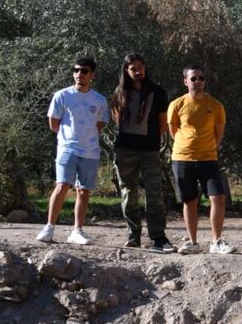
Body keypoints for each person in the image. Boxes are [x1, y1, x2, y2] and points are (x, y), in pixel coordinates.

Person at [37, 58, 109, 246]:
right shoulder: (62, 95)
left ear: (92, 75)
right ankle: (49, 227)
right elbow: (54, 124)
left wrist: (87, 137)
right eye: (76, 70)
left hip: (90, 152)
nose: (79, 74)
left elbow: (100, 124)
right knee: (62, 185)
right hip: (67, 148)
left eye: (84, 71)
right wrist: (68, 138)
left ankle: (77, 231)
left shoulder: (100, 100)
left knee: (83, 191)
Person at [110, 52, 174, 252]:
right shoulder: (120, 92)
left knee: (154, 193)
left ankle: (158, 237)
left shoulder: (158, 92)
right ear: (126, 70)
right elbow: (117, 118)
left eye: (140, 67)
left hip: (149, 150)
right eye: (133, 68)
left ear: (145, 68)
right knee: (129, 193)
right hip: (125, 149)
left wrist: (151, 139)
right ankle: (133, 235)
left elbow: (163, 124)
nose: (138, 71)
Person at [167, 65, 233, 255]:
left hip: (208, 159)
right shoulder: (176, 104)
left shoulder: (216, 106)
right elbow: (173, 131)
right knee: (190, 201)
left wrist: (207, 148)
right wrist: (187, 146)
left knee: (218, 197)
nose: (198, 82)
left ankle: (216, 242)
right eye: (193, 78)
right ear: (185, 81)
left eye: (201, 78)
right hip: (182, 159)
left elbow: (219, 133)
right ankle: (192, 242)